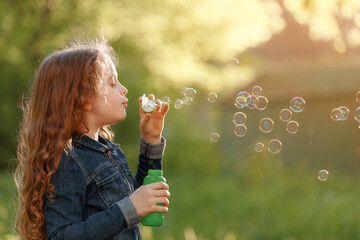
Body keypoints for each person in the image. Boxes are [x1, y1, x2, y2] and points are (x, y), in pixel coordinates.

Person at [15, 37, 170, 239]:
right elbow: (61, 235)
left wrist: (151, 139)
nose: (124, 89)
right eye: (112, 83)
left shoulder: (106, 149)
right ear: (83, 98)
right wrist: (130, 209)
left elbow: (137, 198)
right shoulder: (68, 160)